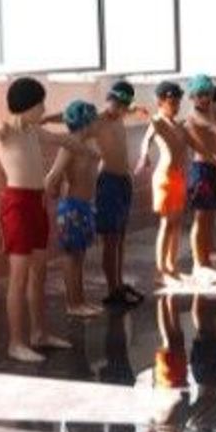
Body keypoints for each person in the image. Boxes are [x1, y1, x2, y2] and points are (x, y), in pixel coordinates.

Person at [0, 77, 89, 361]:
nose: (44, 109)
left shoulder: (34, 131)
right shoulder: (8, 132)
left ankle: (39, 333)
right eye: (40, 104)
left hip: (37, 202)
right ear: (27, 105)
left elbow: (61, 139)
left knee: (40, 272)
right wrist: (3, 127)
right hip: (17, 204)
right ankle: (16, 342)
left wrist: (88, 150)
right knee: (19, 276)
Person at [45, 100, 105, 318]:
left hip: (85, 206)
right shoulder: (69, 146)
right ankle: (73, 304)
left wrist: (47, 118)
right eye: (94, 120)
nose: (98, 123)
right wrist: (53, 193)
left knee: (79, 256)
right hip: (72, 207)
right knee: (71, 257)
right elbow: (52, 177)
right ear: (86, 123)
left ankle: (81, 301)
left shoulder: (88, 142)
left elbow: (68, 114)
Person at [94, 81, 149, 307]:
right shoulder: (97, 119)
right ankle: (112, 288)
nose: (119, 110)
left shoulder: (121, 115)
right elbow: (69, 117)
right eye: (116, 105)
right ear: (108, 99)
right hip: (107, 182)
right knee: (111, 239)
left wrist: (137, 109)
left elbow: (130, 109)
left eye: (123, 107)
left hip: (123, 181)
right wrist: (45, 119)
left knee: (121, 237)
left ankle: (118, 283)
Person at [136, 81, 189, 282]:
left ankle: (171, 265)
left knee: (177, 223)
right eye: (172, 103)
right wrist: (144, 156)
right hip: (165, 177)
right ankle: (161, 271)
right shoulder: (157, 122)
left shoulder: (178, 125)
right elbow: (146, 140)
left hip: (178, 177)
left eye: (178, 103)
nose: (176, 106)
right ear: (160, 102)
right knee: (166, 223)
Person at [183, 74, 216, 283]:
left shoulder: (210, 110)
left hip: (211, 168)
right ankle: (198, 264)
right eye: (200, 95)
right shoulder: (193, 115)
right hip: (200, 170)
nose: (205, 98)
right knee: (200, 218)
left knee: (210, 215)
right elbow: (212, 128)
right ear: (192, 96)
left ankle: (209, 252)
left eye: (208, 94)